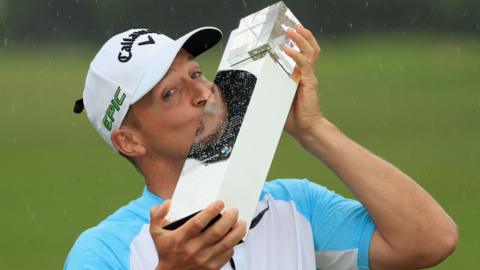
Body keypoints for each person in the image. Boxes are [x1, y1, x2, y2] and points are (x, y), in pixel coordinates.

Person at [65, 25, 458, 270]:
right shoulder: (103, 252)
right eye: (171, 93)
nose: (203, 92)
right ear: (130, 141)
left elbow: (431, 241)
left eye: (197, 73)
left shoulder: (295, 206)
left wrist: (313, 129)